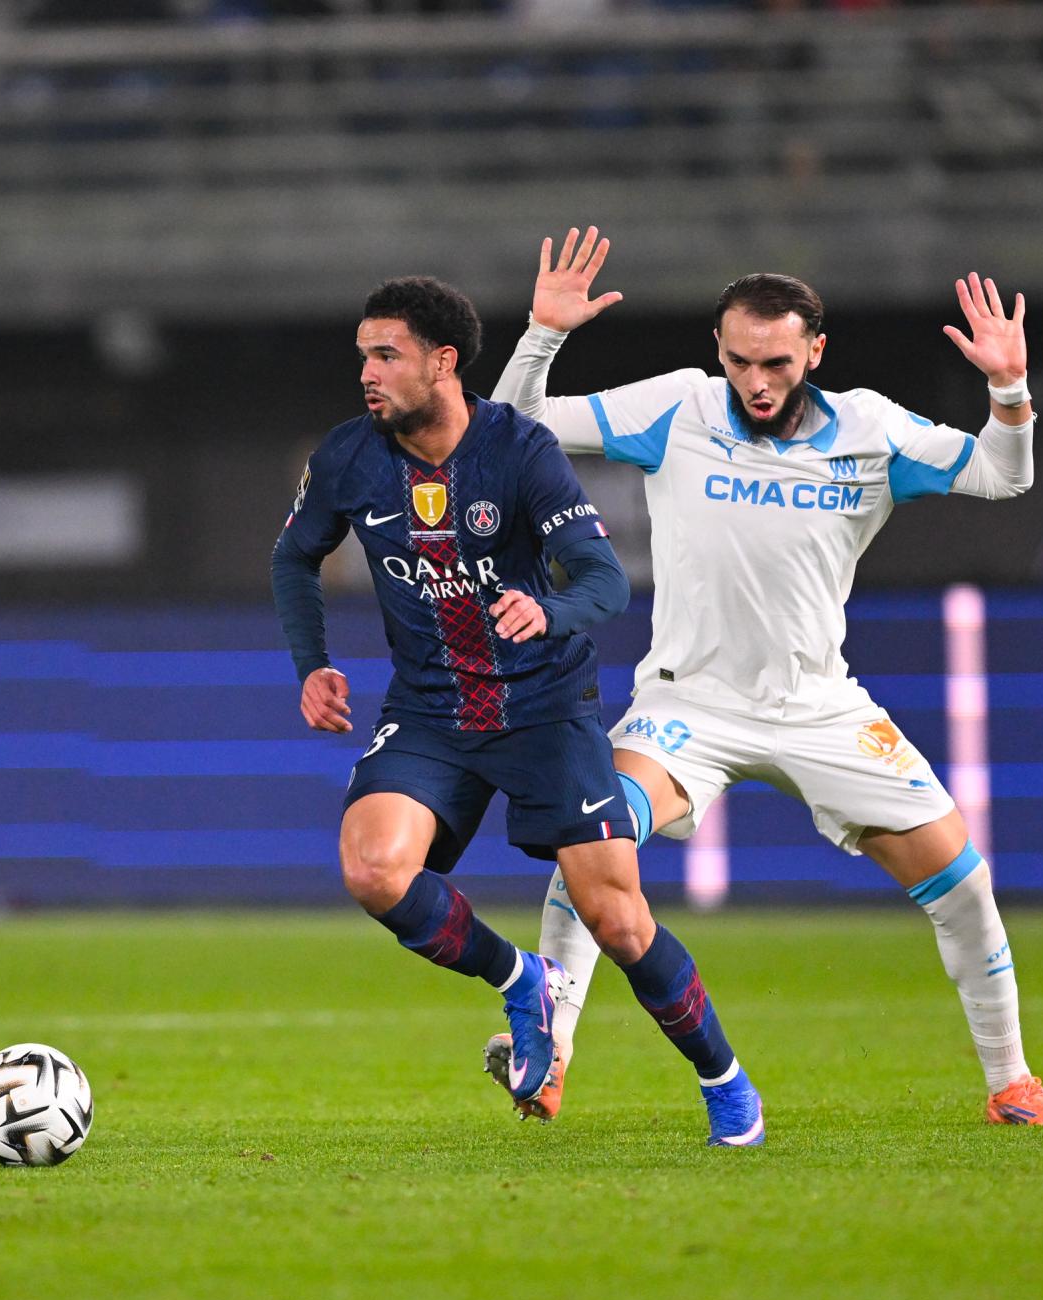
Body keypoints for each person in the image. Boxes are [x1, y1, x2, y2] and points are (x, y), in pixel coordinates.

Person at [486, 226, 1043, 1127]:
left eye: (774, 361)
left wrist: (1008, 387)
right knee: (593, 835)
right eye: (739, 361)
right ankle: (552, 1055)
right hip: (692, 702)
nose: (756, 381)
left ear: (815, 350)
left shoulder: (872, 429)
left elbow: (1005, 477)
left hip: (820, 705)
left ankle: (1011, 1083)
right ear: (719, 352)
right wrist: (543, 335)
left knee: (962, 881)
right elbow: (515, 425)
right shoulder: (678, 410)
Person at [271, 275, 765, 1146]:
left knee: (617, 918)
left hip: (544, 706)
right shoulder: (349, 457)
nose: (368, 373)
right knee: (373, 868)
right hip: (431, 709)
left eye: (386, 354)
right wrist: (312, 666)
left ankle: (724, 1081)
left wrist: (550, 609)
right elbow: (293, 558)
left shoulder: (520, 450)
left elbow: (606, 581)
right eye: (363, 355)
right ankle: (520, 977)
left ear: (443, 362)